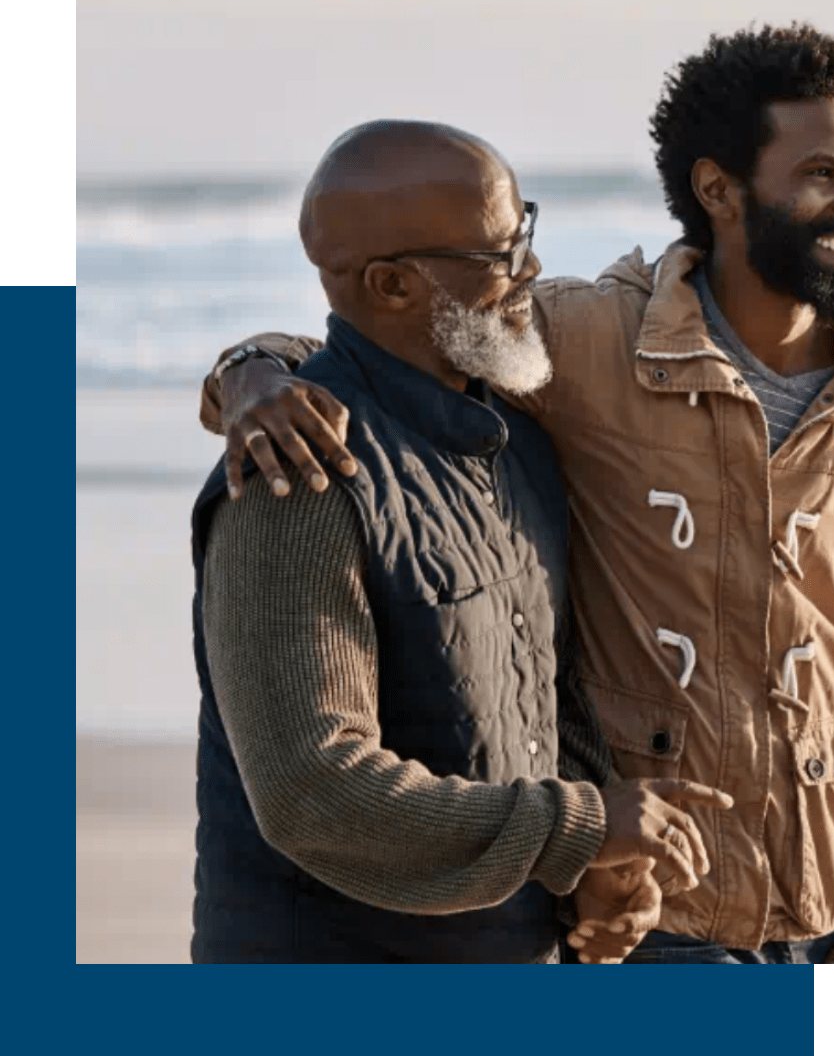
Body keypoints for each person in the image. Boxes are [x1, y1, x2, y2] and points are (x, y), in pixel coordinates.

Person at [203, 23, 834, 965]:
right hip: (661, 910)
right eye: (821, 174)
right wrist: (249, 373)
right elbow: (385, 348)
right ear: (719, 190)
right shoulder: (584, 342)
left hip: (829, 891)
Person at [190, 120, 732, 965]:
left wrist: (596, 868)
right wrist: (581, 828)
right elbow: (312, 791)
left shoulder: (517, 441)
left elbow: (550, 701)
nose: (532, 272)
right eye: (501, 253)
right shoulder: (297, 481)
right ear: (393, 284)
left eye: (527, 232)